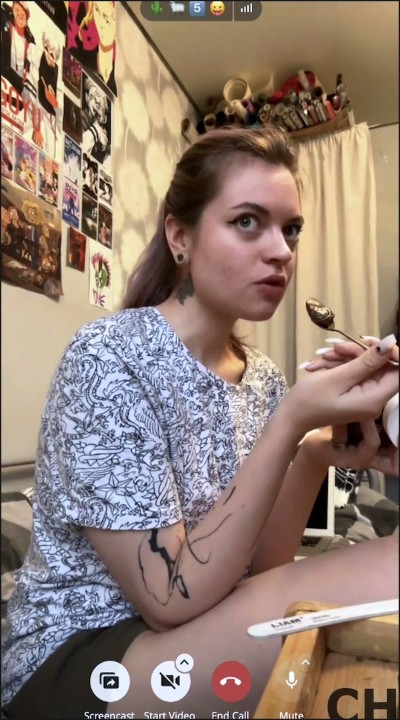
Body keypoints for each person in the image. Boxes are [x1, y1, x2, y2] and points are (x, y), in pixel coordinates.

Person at [2, 127, 398, 720]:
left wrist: (315, 451)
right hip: (78, 653)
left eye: (291, 229)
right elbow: (168, 596)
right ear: (180, 236)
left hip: (192, 621)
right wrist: (291, 421)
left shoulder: (262, 379)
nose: (281, 251)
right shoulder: (108, 358)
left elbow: (262, 568)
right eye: (248, 222)